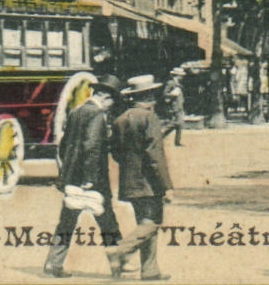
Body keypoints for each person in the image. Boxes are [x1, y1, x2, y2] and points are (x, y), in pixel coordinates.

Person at [44, 76, 124, 278]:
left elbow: (64, 146)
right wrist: (90, 178)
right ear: (105, 97)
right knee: (108, 222)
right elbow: (92, 147)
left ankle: (53, 263)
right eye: (112, 100)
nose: (112, 105)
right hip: (93, 180)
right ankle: (119, 266)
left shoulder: (76, 111)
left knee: (66, 222)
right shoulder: (96, 115)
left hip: (72, 178)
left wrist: (69, 170)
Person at [108, 75, 174, 280]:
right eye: (152, 94)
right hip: (149, 182)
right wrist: (166, 185)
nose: (154, 99)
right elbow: (155, 155)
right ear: (148, 95)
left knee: (144, 222)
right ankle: (120, 251)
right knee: (152, 222)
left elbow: (116, 152)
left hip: (129, 181)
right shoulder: (149, 118)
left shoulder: (120, 119)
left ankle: (150, 270)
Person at [159, 72, 185, 147]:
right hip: (174, 106)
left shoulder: (178, 84)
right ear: (176, 75)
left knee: (180, 124)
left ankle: (177, 142)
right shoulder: (171, 83)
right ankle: (162, 135)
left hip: (179, 106)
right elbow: (164, 94)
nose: (182, 77)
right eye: (181, 75)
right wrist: (173, 94)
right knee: (177, 123)